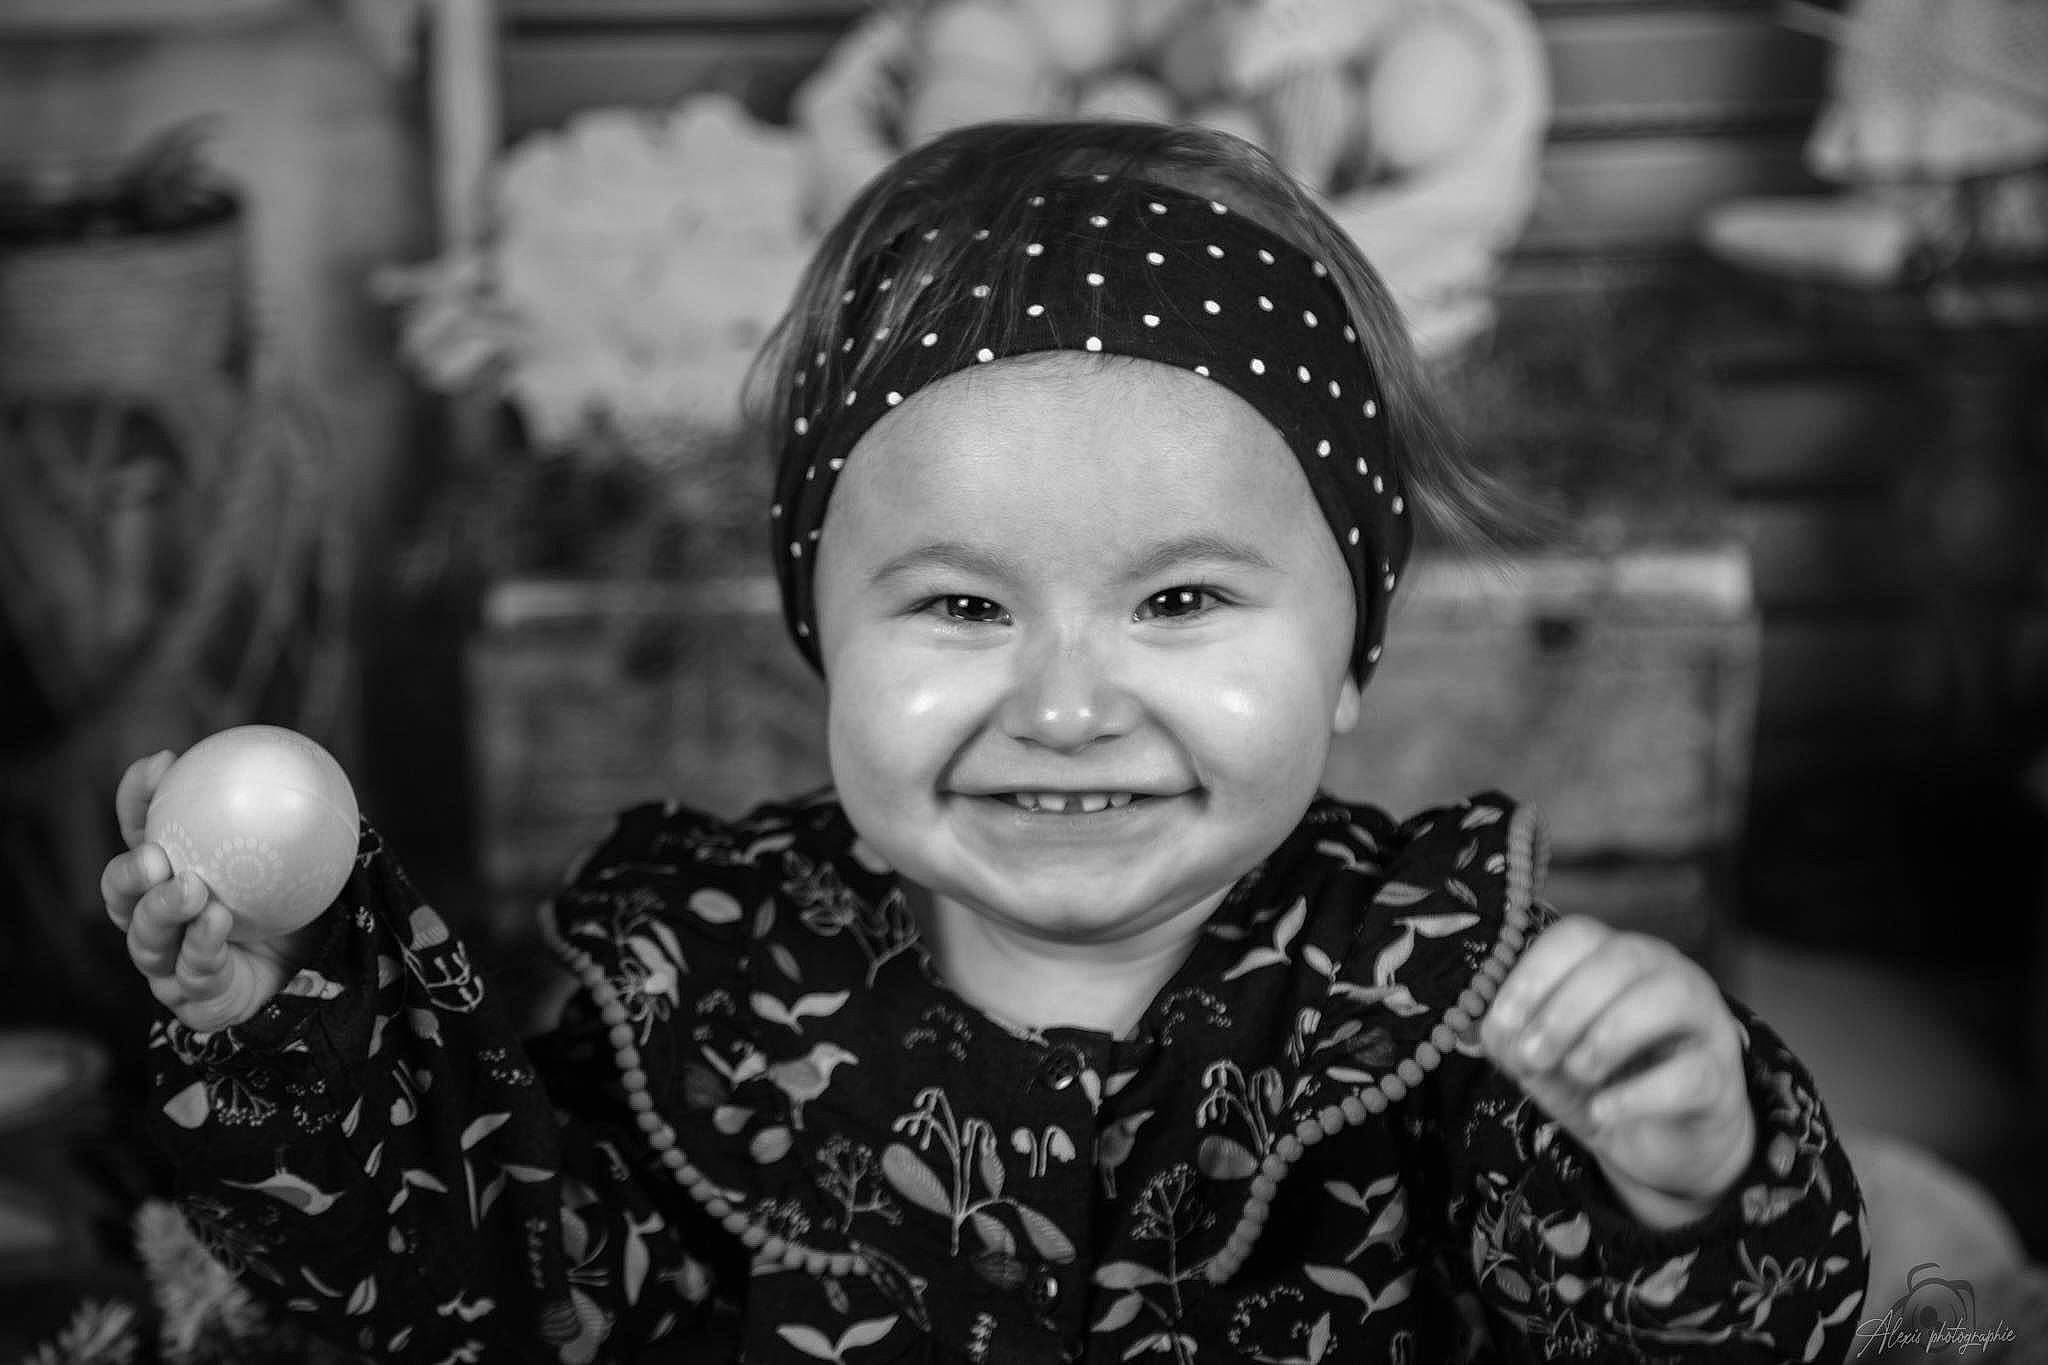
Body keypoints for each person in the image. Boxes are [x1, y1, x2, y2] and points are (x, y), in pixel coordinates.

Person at [102, 120, 1868, 1364]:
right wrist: (284, 1019)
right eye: (959, 608)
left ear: (1350, 652)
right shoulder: (712, 988)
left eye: (1180, 603)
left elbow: (1722, 1335)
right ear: (823, 639)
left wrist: (1685, 1176)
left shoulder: (1440, 1001)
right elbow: (472, 1288)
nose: (1068, 704)